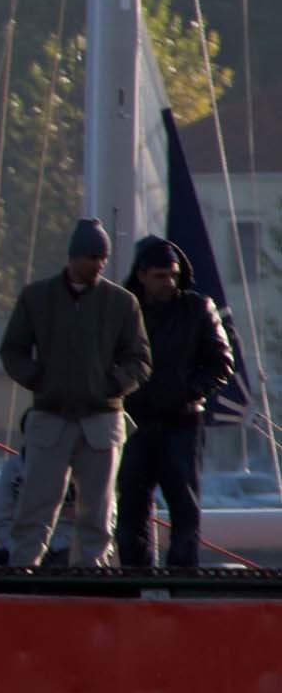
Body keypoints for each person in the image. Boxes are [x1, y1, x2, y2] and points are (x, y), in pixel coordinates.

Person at [0, 219, 151, 571]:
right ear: (73, 256)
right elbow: (13, 350)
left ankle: (91, 572)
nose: (99, 264)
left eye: (103, 257)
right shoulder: (36, 298)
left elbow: (140, 360)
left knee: (97, 508)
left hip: (102, 419)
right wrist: (38, 379)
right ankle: (24, 571)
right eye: (92, 256)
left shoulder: (122, 303)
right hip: (51, 416)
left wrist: (114, 385)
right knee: (36, 502)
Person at [118, 234, 234, 570]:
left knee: (184, 509)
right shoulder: (125, 309)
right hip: (135, 422)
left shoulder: (197, 309)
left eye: (172, 274)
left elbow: (221, 361)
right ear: (141, 274)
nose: (168, 282)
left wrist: (191, 390)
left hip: (181, 422)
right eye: (160, 275)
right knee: (131, 512)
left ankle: (182, 586)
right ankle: (133, 587)